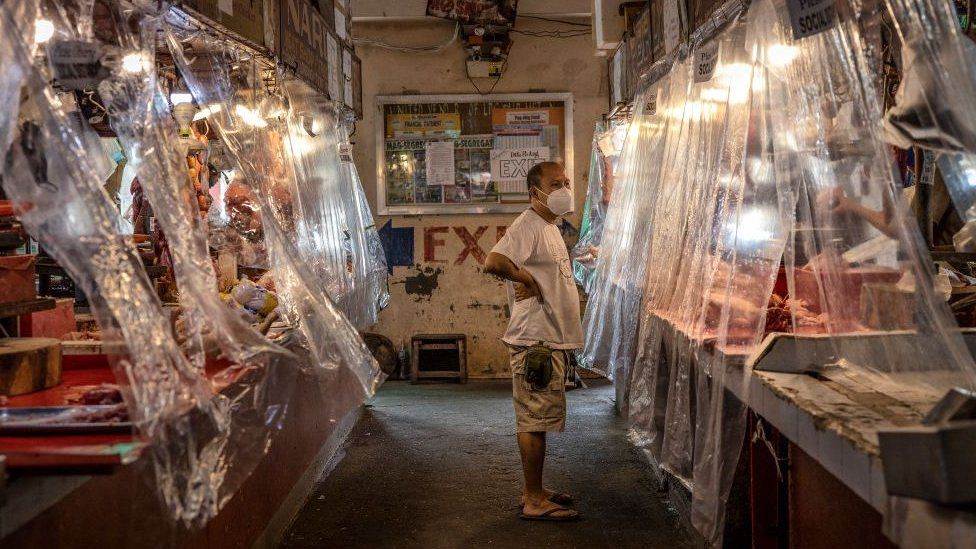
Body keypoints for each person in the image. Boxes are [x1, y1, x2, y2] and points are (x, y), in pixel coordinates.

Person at [484, 161, 584, 522]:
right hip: (535, 343)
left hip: (547, 338)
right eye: (556, 184)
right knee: (533, 420)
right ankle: (533, 501)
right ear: (534, 193)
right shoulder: (528, 223)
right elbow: (493, 262)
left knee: (539, 417)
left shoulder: (549, 226)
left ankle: (536, 489)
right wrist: (522, 275)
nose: (564, 189)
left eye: (566, 183)